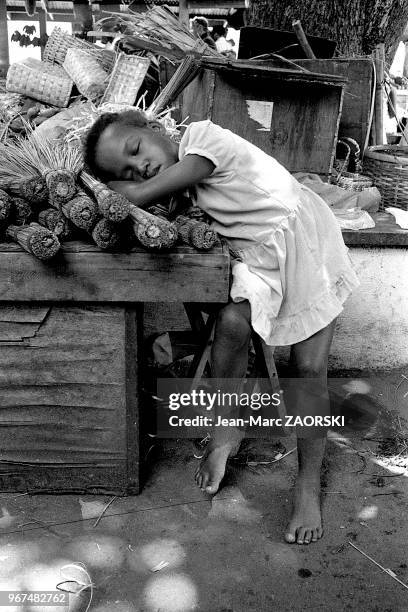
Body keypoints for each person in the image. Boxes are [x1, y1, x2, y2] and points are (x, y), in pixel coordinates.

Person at [83, 111, 360, 546]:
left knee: (307, 370)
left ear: (156, 129)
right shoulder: (187, 189)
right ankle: (226, 427)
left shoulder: (204, 140)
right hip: (260, 259)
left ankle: (306, 485)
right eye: (127, 170)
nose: (140, 168)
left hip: (306, 246)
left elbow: (142, 192)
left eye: (136, 151)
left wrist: (122, 189)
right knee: (231, 324)